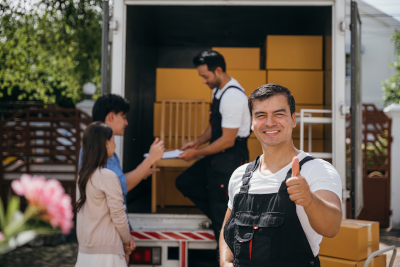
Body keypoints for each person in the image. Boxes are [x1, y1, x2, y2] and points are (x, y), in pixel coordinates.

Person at [219, 84, 343, 267]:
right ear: (252, 124)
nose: (270, 123)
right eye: (261, 115)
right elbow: (228, 229)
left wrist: (309, 200)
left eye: (279, 114)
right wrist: (225, 261)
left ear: (293, 119)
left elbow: (332, 227)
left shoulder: (317, 170)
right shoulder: (240, 175)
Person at [176, 50, 251, 239]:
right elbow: (216, 126)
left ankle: (225, 253)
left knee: (222, 219)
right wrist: (197, 142)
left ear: (218, 70)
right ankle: (221, 216)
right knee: (185, 182)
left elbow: (227, 139)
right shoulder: (218, 91)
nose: (203, 81)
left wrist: (196, 154)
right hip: (217, 154)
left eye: (205, 76)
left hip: (231, 157)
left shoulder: (232, 97)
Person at [79, 94, 165, 229]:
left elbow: (115, 182)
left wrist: (141, 173)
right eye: (124, 117)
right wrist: (150, 159)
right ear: (111, 117)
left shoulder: (96, 146)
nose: (127, 123)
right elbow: (120, 186)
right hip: (108, 232)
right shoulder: (100, 148)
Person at [75, 122, 134, 267]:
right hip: (107, 256)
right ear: (105, 143)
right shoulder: (107, 176)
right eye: (113, 140)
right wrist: (127, 242)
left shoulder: (82, 176)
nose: (115, 144)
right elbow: (119, 215)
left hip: (85, 254)